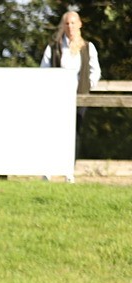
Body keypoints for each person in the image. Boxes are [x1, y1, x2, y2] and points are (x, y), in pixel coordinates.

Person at [40, 10, 101, 168]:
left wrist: (87, 86)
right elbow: (44, 70)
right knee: (54, 132)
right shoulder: (54, 47)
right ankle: (50, 167)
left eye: (73, 23)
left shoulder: (88, 47)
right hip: (58, 98)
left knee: (75, 133)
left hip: (79, 97)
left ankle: (69, 169)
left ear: (79, 24)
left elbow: (95, 71)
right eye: (67, 23)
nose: (70, 26)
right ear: (63, 25)